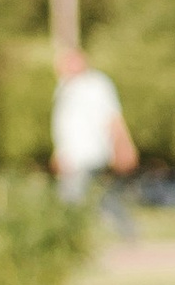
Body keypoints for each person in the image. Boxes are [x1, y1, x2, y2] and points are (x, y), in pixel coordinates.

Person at [50, 45, 138, 238]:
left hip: (90, 153)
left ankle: (69, 239)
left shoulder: (96, 85)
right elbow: (64, 126)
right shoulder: (64, 88)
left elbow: (112, 118)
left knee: (71, 199)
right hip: (72, 155)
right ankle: (128, 234)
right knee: (104, 196)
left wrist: (123, 146)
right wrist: (60, 152)